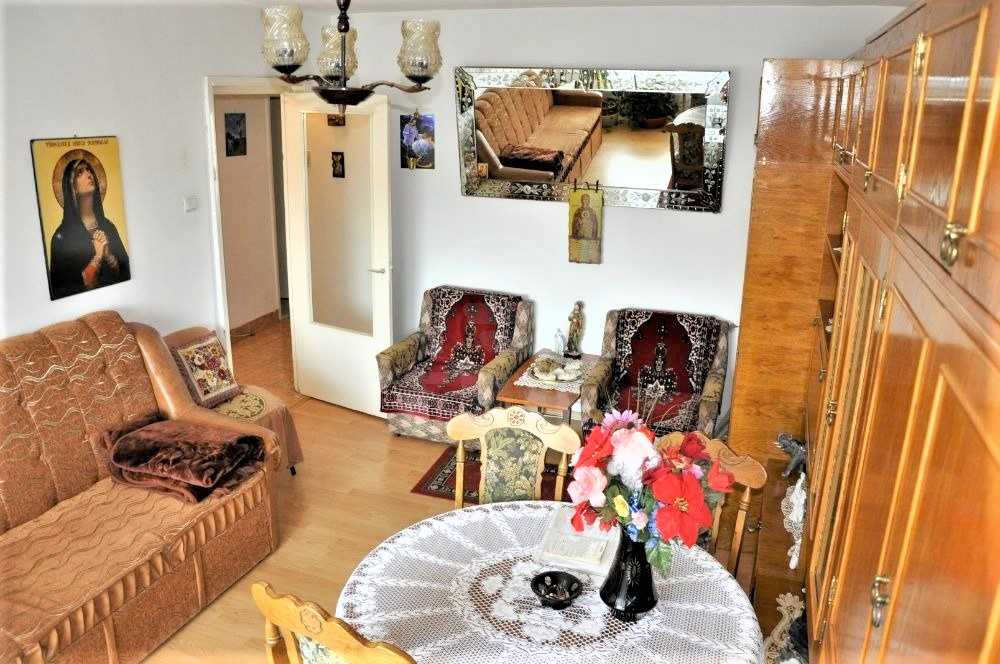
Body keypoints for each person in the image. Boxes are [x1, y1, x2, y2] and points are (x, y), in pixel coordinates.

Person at [48, 157, 130, 299]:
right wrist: (97, 257)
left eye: (89, 170)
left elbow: (125, 274)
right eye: (80, 173)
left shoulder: (108, 227)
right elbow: (64, 290)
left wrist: (108, 255)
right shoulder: (61, 237)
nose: (88, 174)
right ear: (72, 187)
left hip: (117, 297)